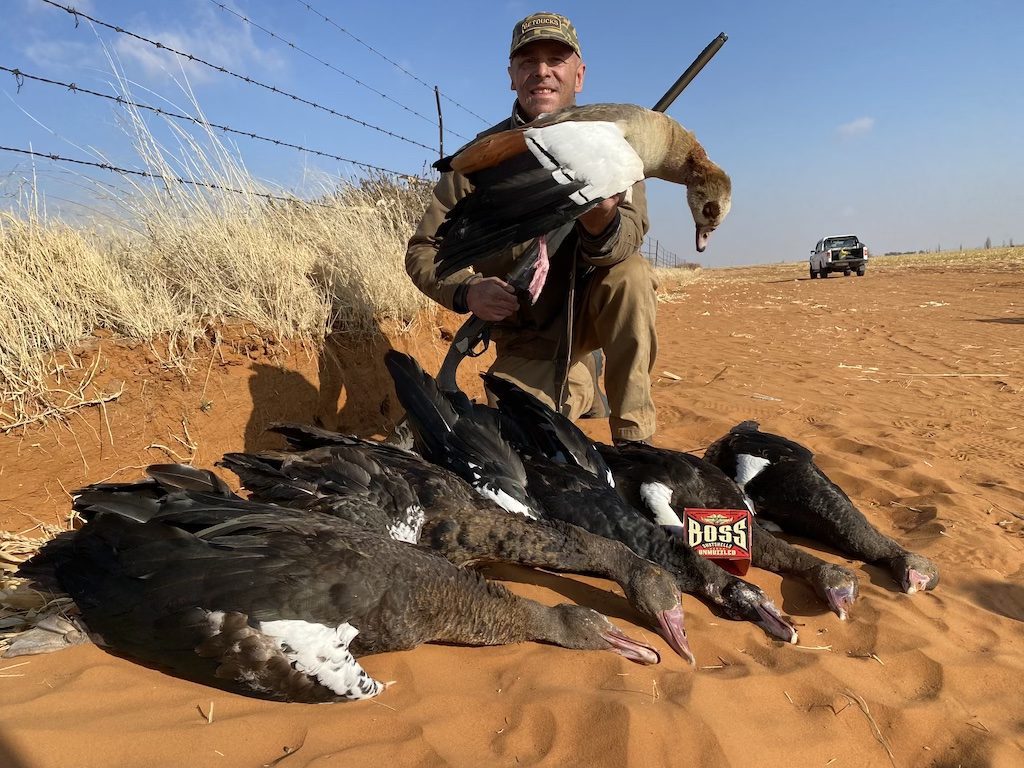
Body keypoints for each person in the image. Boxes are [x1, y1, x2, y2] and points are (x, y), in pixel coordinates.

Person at [405, 11, 658, 446]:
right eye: (528, 62)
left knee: (631, 275)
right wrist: (469, 291)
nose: (542, 72)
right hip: (527, 338)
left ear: (579, 75)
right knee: (525, 436)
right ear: (511, 76)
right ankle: (578, 381)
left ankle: (636, 444)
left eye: (556, 60)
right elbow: (423, 251)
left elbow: (628, 237)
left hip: (589, 318)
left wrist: (601, 217)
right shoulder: (479, 160)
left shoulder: (614, 149)